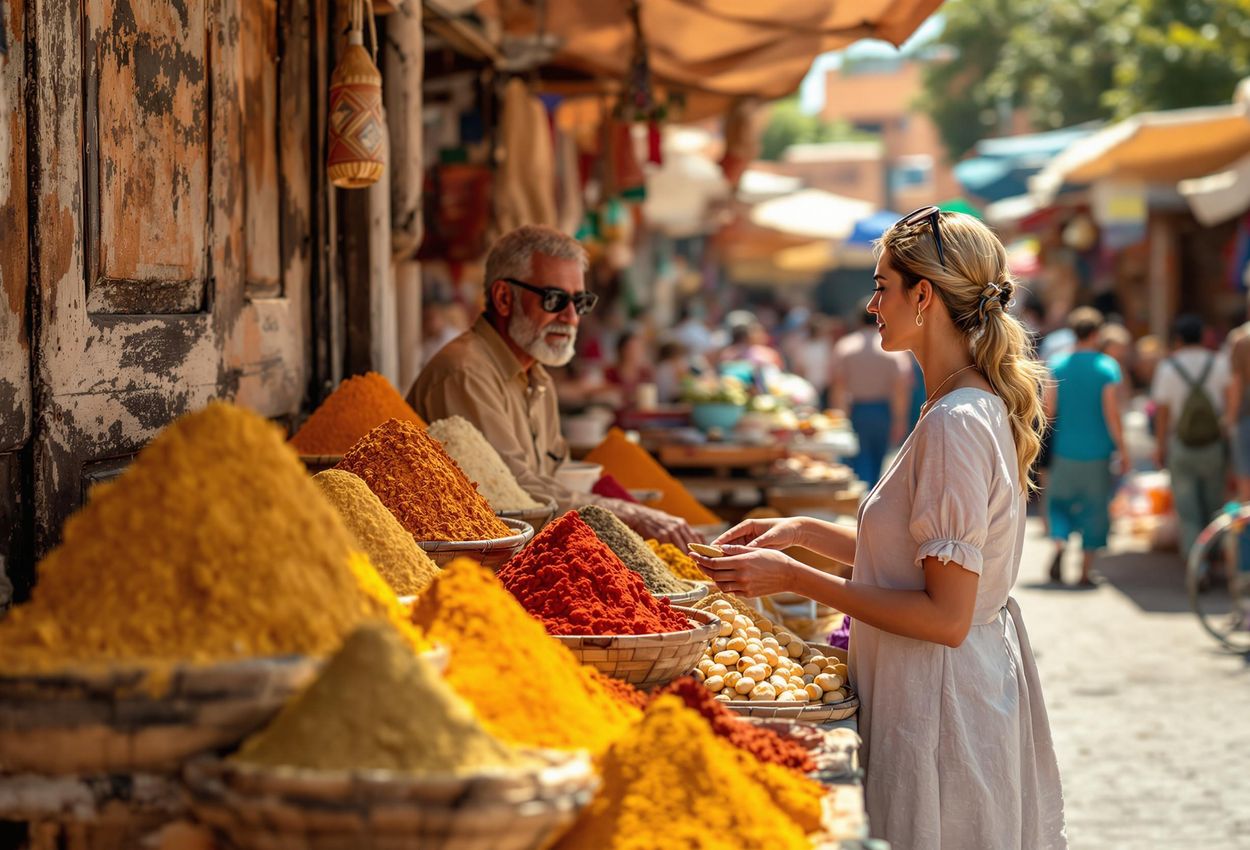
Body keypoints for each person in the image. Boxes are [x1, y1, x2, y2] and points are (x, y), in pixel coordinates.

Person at [691, 209, 1067, 850]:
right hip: (941, 693)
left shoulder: (956, 420)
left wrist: (791, 576)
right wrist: (801, 531)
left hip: (941, 707)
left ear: (923, 296)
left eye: (881, 286)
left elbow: (944, 615)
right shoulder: (957, 405)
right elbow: (914, 561)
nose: (871, 304)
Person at [409, 225, 700, 547]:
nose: (572, 317)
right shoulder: (465, 373)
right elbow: (512, 495)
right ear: (504, 298)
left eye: (580, 302)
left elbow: (554, 476)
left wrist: (626, 504)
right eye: (554, 299)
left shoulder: (538, 377)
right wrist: (624, 511)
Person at [1043, 308, 1129, 587]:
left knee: (1060, 505)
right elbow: (1111, 414)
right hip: (1097, 452)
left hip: (1064, 451)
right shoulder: (1107, 367)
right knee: (1095, 511)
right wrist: (1123, 449)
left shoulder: (1057, 365)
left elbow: (1048, 410)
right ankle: (1084, 572)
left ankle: (1059, 547)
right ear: (1096, 334)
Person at [1151, 314, 1230, 557]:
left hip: (1181, 445)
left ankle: (1197, 563)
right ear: (1203, 336)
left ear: (1178, 339)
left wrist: (1161, 445)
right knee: (1214, 505)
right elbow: (1229, 403)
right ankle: (1215, 556)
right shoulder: (1219, 363)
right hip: (1213, 444)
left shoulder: (1168, 367)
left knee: (1187, 510)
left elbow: (1162, 413)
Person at [828, 301, 913, 488]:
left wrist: (839, 416)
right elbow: (900, 388)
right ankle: (870, 497)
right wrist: (900, 419)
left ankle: (861, 497)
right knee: (878, 459)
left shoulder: (845, 347)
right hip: (883, 410)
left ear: (858, 320)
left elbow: (838, 385)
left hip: (856, 410)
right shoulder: (893, 349)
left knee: (858, 458)